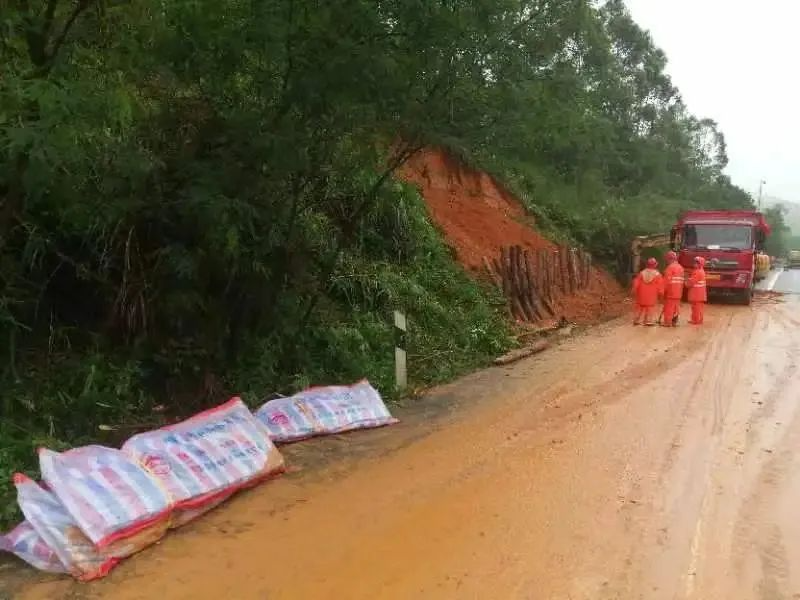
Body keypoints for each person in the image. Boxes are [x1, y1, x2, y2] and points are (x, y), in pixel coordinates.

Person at [632, 257, 664, 326]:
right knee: (650, 308)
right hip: (652, 296)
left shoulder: (642, 273)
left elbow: (636, 283)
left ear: (647, 264)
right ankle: (648, 321)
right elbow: (660, 286)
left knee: (639, 307)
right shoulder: (657, 275)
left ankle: (636, 320)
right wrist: (661, 293)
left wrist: (634, 290)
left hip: (641, 295)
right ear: (655, 265)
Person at [662, 251, 684, 327]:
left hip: (671, 291)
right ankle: (674, 321)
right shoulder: (680, 267)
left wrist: (663, 291)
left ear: (669, 259)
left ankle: (667, 322)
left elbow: (666, 282)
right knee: (675, 307)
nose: (666, 261)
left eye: (667, 259)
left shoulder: (670, 268)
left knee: (669, 307)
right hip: (678, 292)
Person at [686, 256, 707, 325]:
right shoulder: (701, 271)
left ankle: (695, 320)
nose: (694, 264)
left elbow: (691, 282)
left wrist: (686, 281)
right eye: (694, 262)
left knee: (696, 308)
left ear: (700, 264)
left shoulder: (697, 272)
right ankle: (699, 320)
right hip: (699, 294)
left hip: (696, 294)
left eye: (696, 263)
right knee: (698, 308)